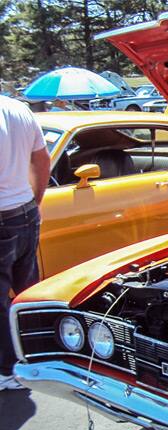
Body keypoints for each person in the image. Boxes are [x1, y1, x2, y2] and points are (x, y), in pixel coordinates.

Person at [0, 95, 50, 390]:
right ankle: (39, 357)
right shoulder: (18, 108)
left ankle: (8, 370)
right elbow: (42, 158)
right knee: (27, 291)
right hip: (25, 209)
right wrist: (35, 200)